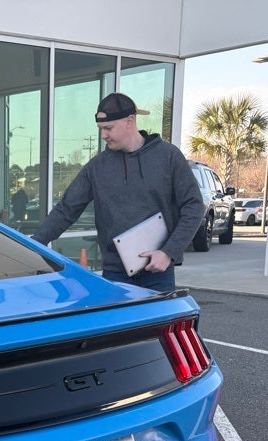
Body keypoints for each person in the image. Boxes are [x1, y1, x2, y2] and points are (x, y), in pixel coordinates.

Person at [31, 92, 204, 292]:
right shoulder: (97, 167)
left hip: (159, 273)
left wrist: (169, 252)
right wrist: (33, 245)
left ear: (130, 121)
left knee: (157, 325)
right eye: (101, 129)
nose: (103, 135)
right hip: (115, 275)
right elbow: (66, 210)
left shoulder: (168, 156)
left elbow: (194, 206)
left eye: (108, 128)